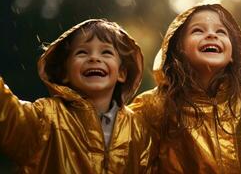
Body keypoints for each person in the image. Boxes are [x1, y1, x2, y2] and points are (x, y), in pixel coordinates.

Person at [130, 4, 241, 173]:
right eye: (198, 30)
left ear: (233, 56)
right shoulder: (154, 106)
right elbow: (120, 146)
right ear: (178, 50)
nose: (212, 35)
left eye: (221, 31)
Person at [0, 19, 155, 173]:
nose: (94, 58)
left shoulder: (137, 127)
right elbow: (8, 113)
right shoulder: (45, 117)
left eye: (106, 52)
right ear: (65, 73)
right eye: (82, 52)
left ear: (122, 73)